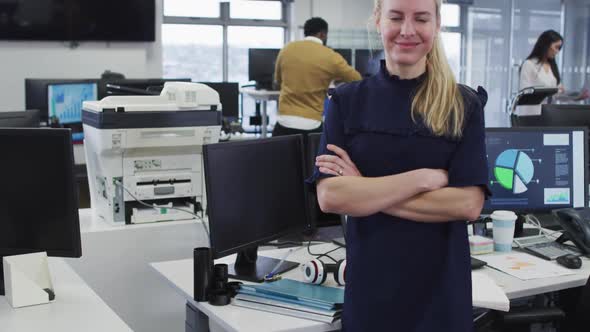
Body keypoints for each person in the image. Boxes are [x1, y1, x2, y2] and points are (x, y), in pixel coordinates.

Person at [308, 0, 488, 330]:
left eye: (421, 18)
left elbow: (467, 203)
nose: (407, 30)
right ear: (378, 21)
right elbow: (331, 197)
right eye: (395, 17)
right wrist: (422, 179)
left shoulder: (464, 105)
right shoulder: (345, 102)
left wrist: (364, 187)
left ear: (436, 25)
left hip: (441, 296)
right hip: (371, 291)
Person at [273, 17, 361, 145]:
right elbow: (356, 79)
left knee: (281, 164)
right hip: (311, 125)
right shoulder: (330, 56)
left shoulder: (286, 49)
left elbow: (277, 81)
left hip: (283, 122)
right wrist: (337, 78)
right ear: (322, 34)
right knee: (310, 164)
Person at [517, 29, 589, 116]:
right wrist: (552, 91)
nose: (557, 51)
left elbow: (557, 95)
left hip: (548, 115)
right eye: (556, 47)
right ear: (546, 45)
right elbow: (525, 93)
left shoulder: (552, 66)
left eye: (559, 48)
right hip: (530, 115)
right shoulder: (529, 64)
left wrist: (576, 97)